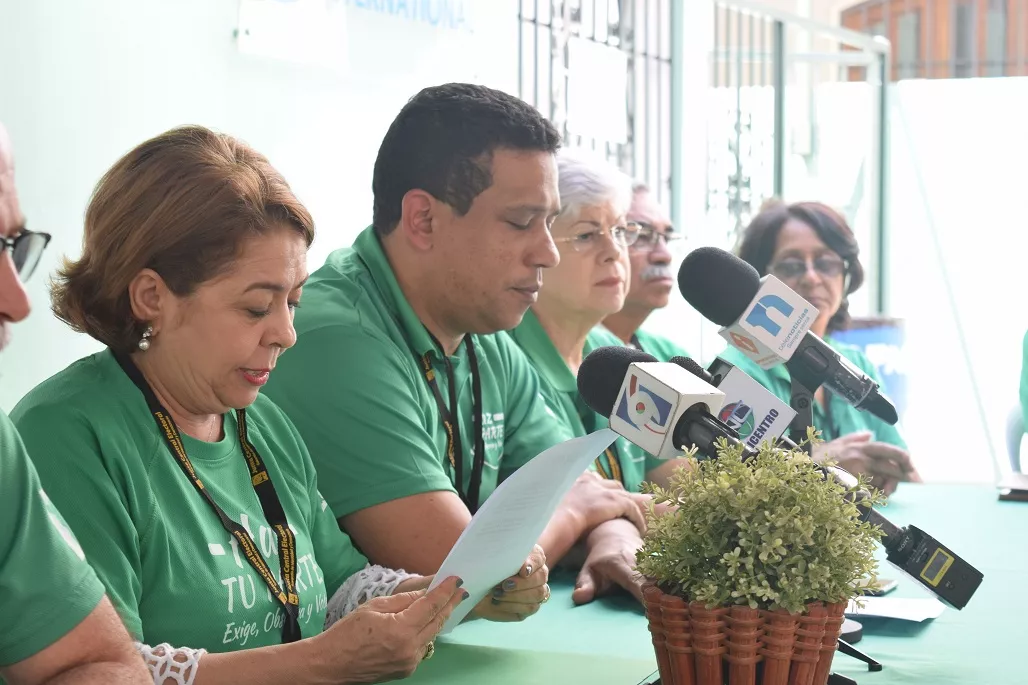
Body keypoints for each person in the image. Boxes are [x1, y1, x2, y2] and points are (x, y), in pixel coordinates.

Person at [11, 126, 548, 685]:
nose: (287, 334)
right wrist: (317, 664)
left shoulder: (262, 422)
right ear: (152, 299)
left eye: (293, 302)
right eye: (256, 308)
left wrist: (455, 593)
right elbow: (100, 670)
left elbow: (340, 586)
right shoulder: (67, 436)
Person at [263, 83, 649, 606]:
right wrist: (579, 516)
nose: (548, 253)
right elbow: (453, 580)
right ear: (423, 219)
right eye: (521, 222)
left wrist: (611, 531)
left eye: (551, 222)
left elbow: (588, 489)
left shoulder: (481, 331)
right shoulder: (337, 337)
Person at [0, 121, 150, 685]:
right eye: (255, 307)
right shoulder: (62, 426)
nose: (17, 300)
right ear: (152, 297)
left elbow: (105, 664)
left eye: (12, 248)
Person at [508, 151, 686, 496]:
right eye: (587, 236)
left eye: (619, 231)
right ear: (538, 250)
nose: (613, 251)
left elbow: (687, 485)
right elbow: (588, 510)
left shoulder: (614, 357)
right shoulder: (509, 359)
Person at [717, 200, 921, 494]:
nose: (812, 277)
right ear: (760, 281)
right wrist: (821, 464)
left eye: (826, 263)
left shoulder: (856, 362)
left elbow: (905, 474)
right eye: (791, 266)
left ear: (846, 275)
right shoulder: (737, 371)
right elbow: (736, 490)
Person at [601, 181, 689, 361]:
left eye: (667, 238)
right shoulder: (569, 353)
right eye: (642, 236)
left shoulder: (673, 359)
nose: (664, 255)